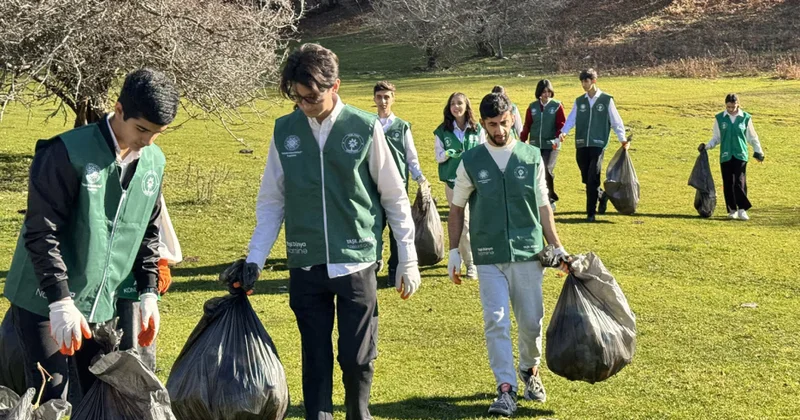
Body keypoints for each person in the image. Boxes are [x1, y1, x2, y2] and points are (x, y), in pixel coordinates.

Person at [227, 43, 421, 420]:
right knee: (314, 356)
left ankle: (357, 413)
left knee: (356, 356)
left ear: (336, 86)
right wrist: (255, 259)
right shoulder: (285, 131)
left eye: (312, 97)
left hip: (356, 261)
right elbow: (272, 201)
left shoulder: (364, 128)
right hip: (306, 262)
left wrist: (408, 260)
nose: (305, 105)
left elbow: (395, 198)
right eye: (298, 98)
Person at [3, 68, 178, 405]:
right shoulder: (66, 152)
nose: (147, 141)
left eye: (158, 134)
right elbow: (42, 231)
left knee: (97, 398)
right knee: (50, 396)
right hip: (45, 300)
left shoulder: (154, 162)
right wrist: (59, 301)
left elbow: (148, 230)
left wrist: (148, 292)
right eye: (141, 129)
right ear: (119, 109)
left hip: (101, 304)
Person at [447, 92, 569, 417]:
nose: (498, 130)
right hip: (488, 255)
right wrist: (454, 251)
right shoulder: (470, 161)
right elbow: (456, 209)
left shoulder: (531, 157)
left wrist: (556, 246)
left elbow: (544, 207)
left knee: (531, 323)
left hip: (529, 254)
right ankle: (505, 389)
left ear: (512, 118)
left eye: (503, 123)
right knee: (496, 322)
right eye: (491, 124)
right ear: (483, 124)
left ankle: (529, 371)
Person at [115, 195, 182, 372]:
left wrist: (161, 262)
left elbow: (151, 220)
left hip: (133, 280)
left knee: (133, 354)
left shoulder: (144, 171)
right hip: (87, 280)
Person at [373, 80, 428, 285]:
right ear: (374, 99)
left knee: (397, 229)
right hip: (371, 186)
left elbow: (410, 156)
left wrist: (420, 178)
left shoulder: (402, 126)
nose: (383, 101)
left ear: (393, 98)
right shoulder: (369, 124)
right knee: (374, 227)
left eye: (387, 97)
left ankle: (394, 269)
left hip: (397, 186)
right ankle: (372, 265)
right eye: (379, 97)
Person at [558, 68, 629, 222]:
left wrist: (622, 138)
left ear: (594, 81)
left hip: (598, 143)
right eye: (582, 81)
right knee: (586, 177)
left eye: (587, 81)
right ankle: (602, 195)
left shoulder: (606, 100)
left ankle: (590, 213)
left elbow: (616, 121)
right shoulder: (580, 101)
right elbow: (571, 118)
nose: (584, 84)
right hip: (581, 143)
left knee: (593, 178)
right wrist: (564, 132)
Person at [434, 92, 486, 279]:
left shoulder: (477, 129)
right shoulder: (442, 131)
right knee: (462, 223)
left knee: (476, 222)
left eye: (460, 103)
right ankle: (471, 263)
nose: (456, 107)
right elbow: (438, 157)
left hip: (475, 182)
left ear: (466, 106)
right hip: (453, 183)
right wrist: (448, 153)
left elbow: (484, 152)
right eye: (453, 104)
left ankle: (477, 256)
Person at [698, 93, 764, 220]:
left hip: (740, 154)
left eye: (733, 107)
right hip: (726, 154)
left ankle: (742, 209)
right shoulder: (720, 118)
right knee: (728, 182)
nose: (731, 109)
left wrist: (758, 151)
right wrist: (707, 146)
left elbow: (752, 137)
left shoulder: (745, 118)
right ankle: (732, 210)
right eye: (728, 107)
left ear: (737, 104)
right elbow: (717, 137)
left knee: (739, 181)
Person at [520, 79, 566, 211]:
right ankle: (538, 198)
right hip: (535, 145)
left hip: (551, 145)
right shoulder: (532, 107)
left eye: (548, 91)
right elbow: (527, 125)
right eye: (544, 91)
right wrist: (523, 140)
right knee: (535, 172)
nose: (546, 94)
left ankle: (550, 197)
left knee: (547, 169)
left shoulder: (557, 106)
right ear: (539, 92)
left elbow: (561, 125)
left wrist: (559, 137)